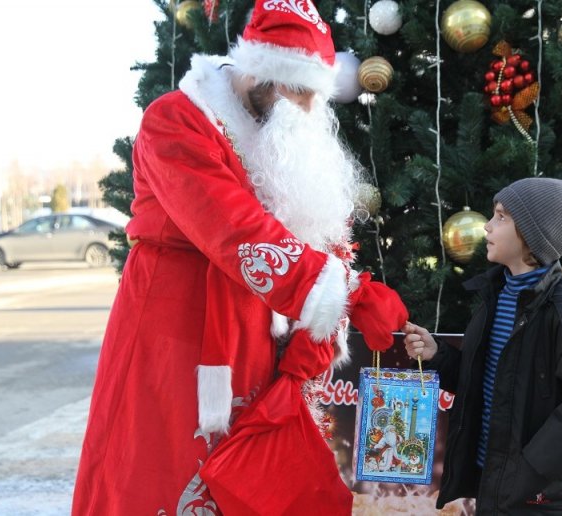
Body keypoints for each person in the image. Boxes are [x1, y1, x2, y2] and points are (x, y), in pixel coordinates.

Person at [72, 1, 407, 514]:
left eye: (311, 91)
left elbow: (308, 224)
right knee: (161, 470)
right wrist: (347, 292)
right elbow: (231, 227)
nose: (303, 103)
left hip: (252, 333)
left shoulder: (282, 128)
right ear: (258, 67)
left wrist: (334, 307)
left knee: (248, 474)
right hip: (175, 330)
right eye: (294, 86)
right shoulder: (176, 121)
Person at [403, 177, 562, 514]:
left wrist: (528, 467)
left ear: (533, 235)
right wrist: (438, 356)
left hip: (546, 499)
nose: (487, 227)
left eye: (501, 217)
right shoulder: (496, 297)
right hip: (496, 484)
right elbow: (494, 382)